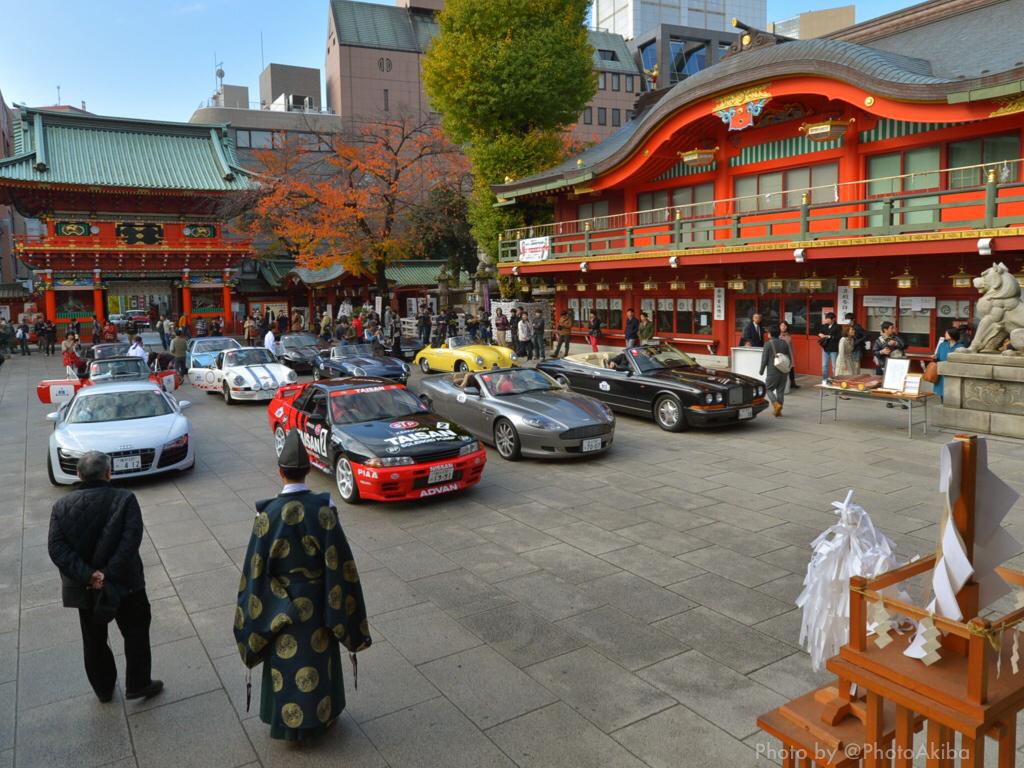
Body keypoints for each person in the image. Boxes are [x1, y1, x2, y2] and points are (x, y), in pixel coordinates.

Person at [234, 430, 370, 741]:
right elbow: (341, 564)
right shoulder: (323, 511)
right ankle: (322, 717)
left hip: (278, 606)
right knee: (318, 659)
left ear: (280, 471)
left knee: (284, 662)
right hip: (319, 601)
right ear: (308, 470)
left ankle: (284, 723)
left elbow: (255, 570)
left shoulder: (266, 515)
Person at [47, 451, 163, 703]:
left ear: (78, 474)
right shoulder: (125, 499)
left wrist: (90, 576)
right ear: (109, 473)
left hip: (86, 588)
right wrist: (107, 574)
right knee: (136, 631)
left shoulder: (61, 507)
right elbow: (130, 541)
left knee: (94, 639)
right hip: (126, 583)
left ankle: (103, 689)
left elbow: (57, 549)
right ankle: (138, 683)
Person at [760, 325, 792, 417]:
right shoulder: (784, 343)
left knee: (768, 388)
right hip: (783, 370)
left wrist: (761, 370)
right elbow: (789, 357)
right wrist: (788, 367)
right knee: (780, 391)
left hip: (772, 371)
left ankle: (776, 404)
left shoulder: (768, 344)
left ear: (770, 334)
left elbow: (764, 359)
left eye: (768, 332)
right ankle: (778, 411)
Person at [932, 328, 964, 400]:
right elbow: (938, 357)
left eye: (946, 333)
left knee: (953, 394)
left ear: (952, 334)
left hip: (953, 374)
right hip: (942, 373)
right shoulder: (942, 345)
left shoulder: (960, 347)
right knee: (942, 395)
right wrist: (935, 357)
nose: (945, 335)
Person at [818, 312, 841, 383]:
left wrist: (829, 336)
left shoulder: (838, 326)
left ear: (833, 319)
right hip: (825, 348)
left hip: (834, 349)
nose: (826, 320)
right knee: (824, 365)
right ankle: (825, 380)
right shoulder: (825, 325)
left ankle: (836, 380)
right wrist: (820, 334)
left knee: (835, 366)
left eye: (828, 318)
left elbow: (839, 337)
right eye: (826, 318)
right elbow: (819, 332)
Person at [778, 320, 798, 389]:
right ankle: (783, 384)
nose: (783, 327)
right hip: (781, 354)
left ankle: (793, 383)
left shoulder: (789, 335)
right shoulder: (777, 335)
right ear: (779, 327)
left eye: (785, 326)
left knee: (791, 368)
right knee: (782, 368)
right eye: (782, 326)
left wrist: (793, 353)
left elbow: (791, 345)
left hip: (789, 353)